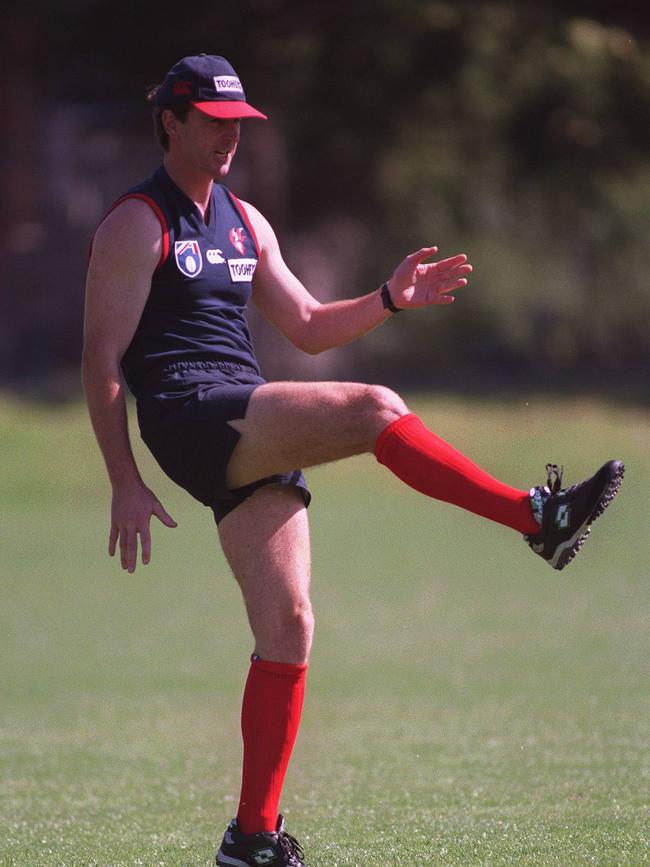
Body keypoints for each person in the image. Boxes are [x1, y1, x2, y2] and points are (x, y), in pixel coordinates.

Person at [82, 54, 624, 867]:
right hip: (191, 415)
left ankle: (252, 839)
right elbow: (99, 361)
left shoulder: (245, 221)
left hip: (247, 415)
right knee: (375, 408)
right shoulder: (135, 222)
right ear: (172, 120)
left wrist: (389, 299)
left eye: (240, 125)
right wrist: (123, 479)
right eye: (215, 123)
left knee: (290, 627)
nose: (231, 137)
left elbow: (303, 323)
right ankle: (533, 518)